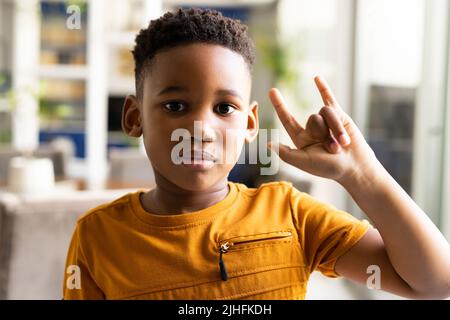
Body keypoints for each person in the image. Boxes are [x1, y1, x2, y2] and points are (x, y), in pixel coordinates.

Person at [63, 8, 450, 300]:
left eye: (224, 108)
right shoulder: (97, 236)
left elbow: (436, 283)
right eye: (176, 106)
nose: (202, 129)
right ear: (134, 117)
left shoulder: (293, 215)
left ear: (250, 124)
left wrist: (362, 175)